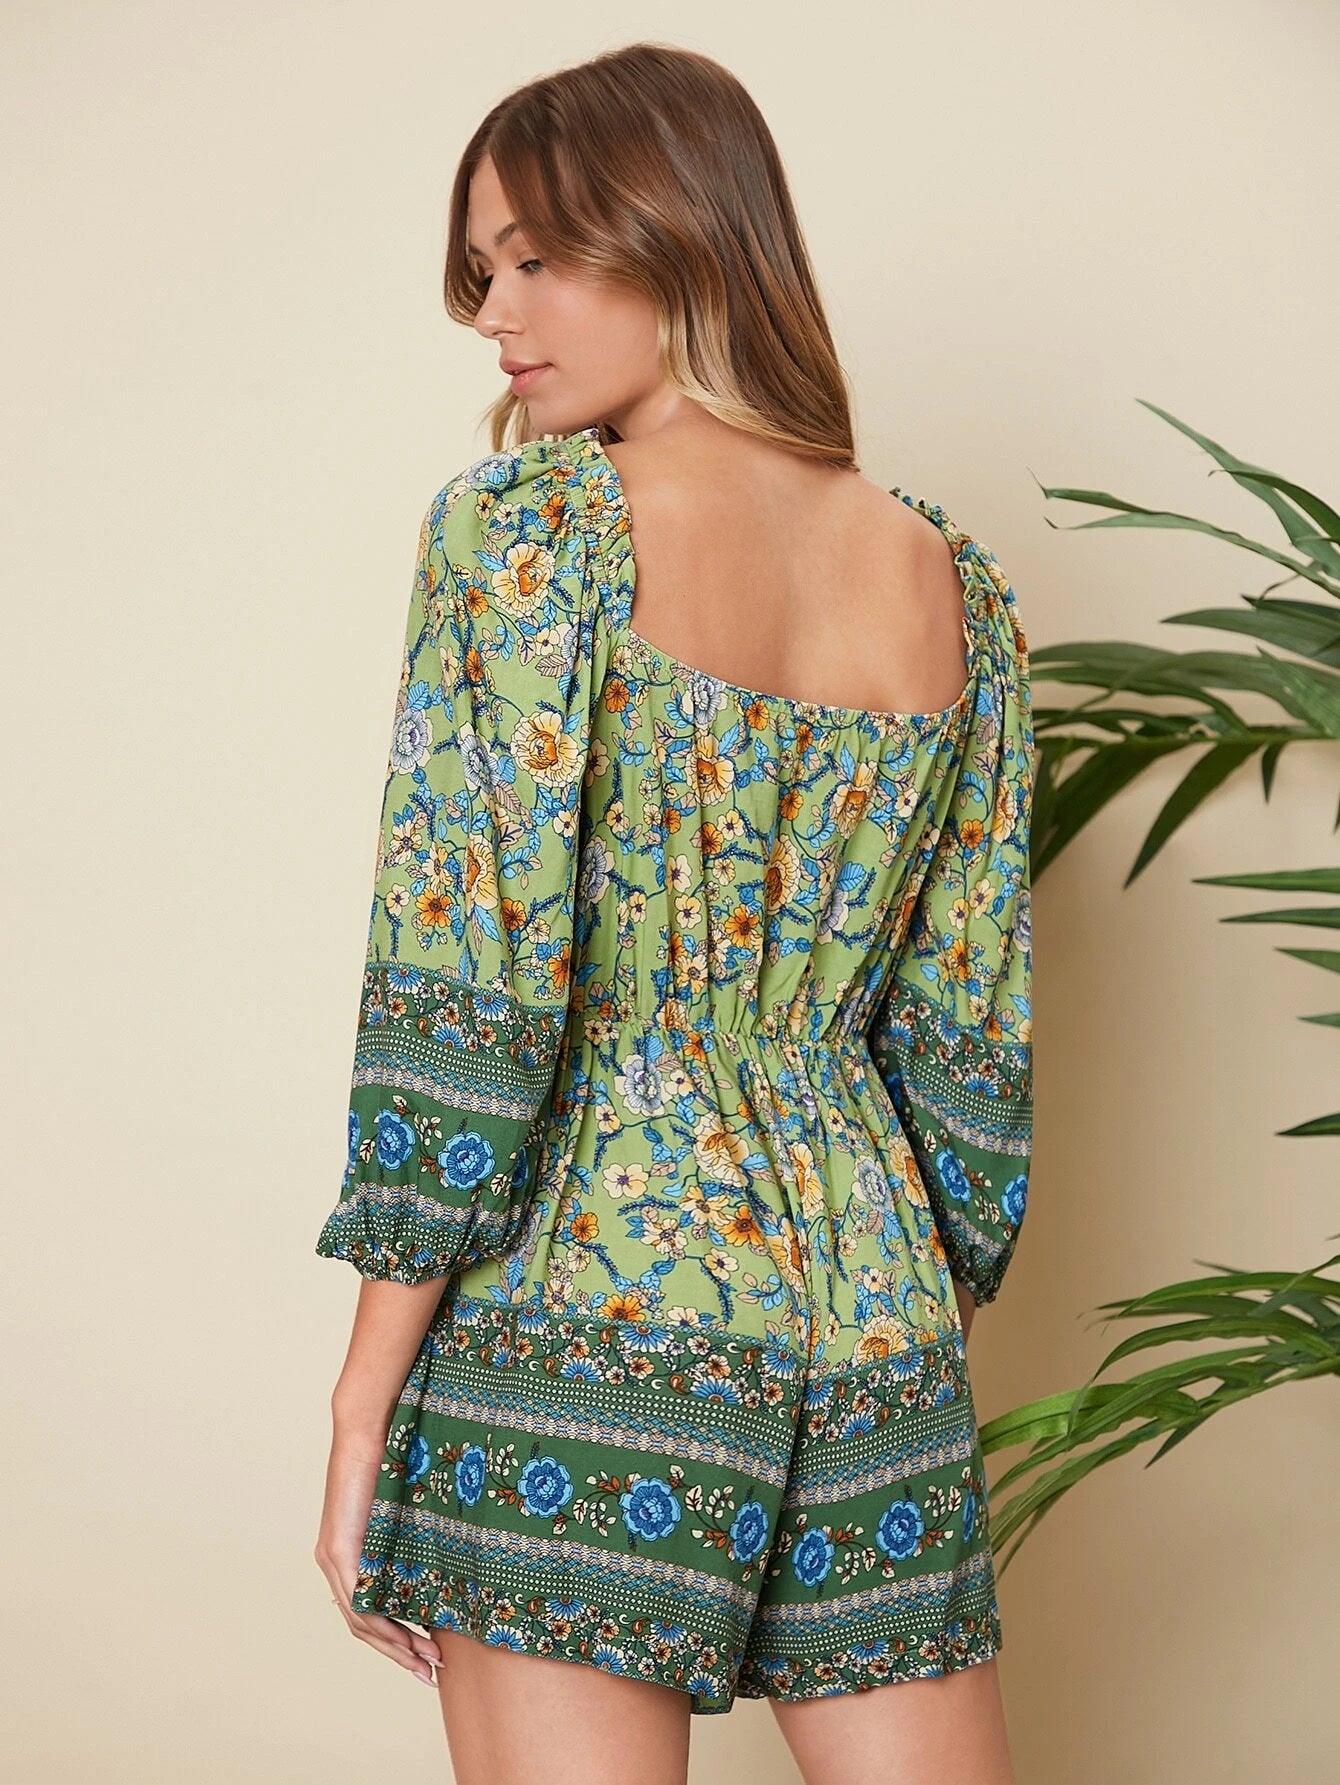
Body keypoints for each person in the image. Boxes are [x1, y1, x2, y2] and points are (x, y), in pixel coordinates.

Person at [312, 39, 1034, 1785]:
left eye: (538, 257)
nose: (496, 313)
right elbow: (967, 1038)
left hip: (587, 1283)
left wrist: (361, 1395)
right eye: (482, 271)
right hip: (870, 1294)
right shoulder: (949, 580)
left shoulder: (532, 538)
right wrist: (904, 1298)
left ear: (680, 235)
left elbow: (469, 997)